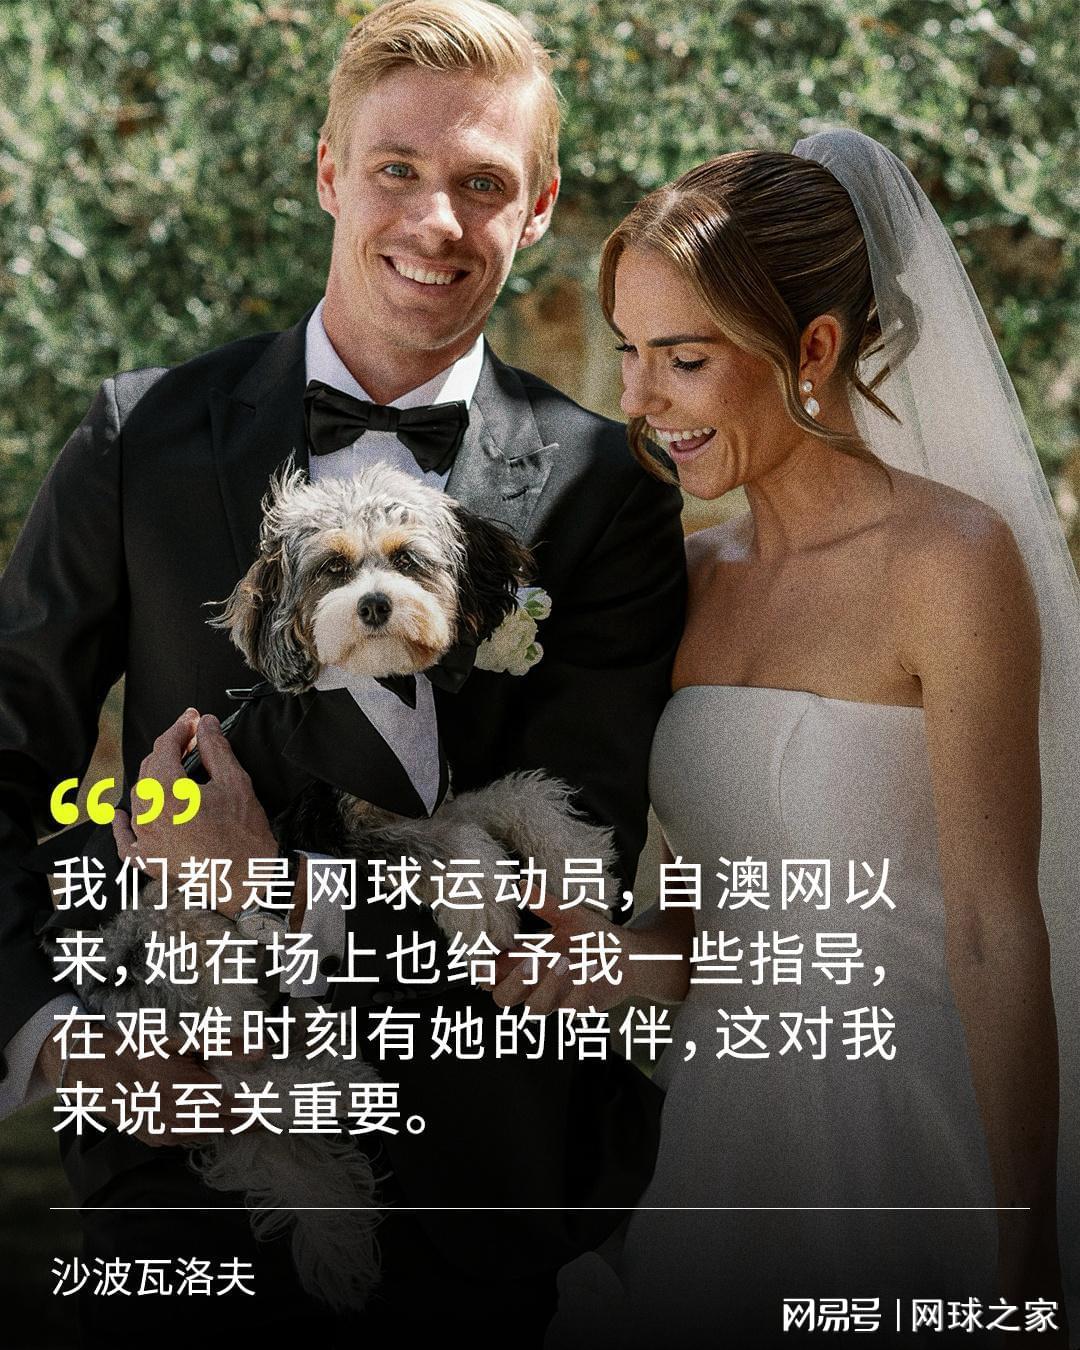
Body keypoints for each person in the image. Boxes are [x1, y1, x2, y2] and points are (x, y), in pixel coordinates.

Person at [0, 1, 685, 1345]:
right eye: (396, 168)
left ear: (539, 206)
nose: (437, 220)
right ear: (328, 171)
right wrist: (59, 1036)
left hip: (479, 1185)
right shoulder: (140, 437)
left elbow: (569, 880)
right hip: (182, 1170)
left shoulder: (608, 488)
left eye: (484, 183)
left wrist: (272, 887)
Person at [498, 132, 1078, 1347]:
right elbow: (729, 926)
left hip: (907, 1140)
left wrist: (1025, 1243)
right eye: (630, 353)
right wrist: (602, 961)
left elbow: (991, 927)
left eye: (685, 359)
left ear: (812, 349)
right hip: (725, 1147)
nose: (640, 401)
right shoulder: (688, 579)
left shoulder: (950, 564)